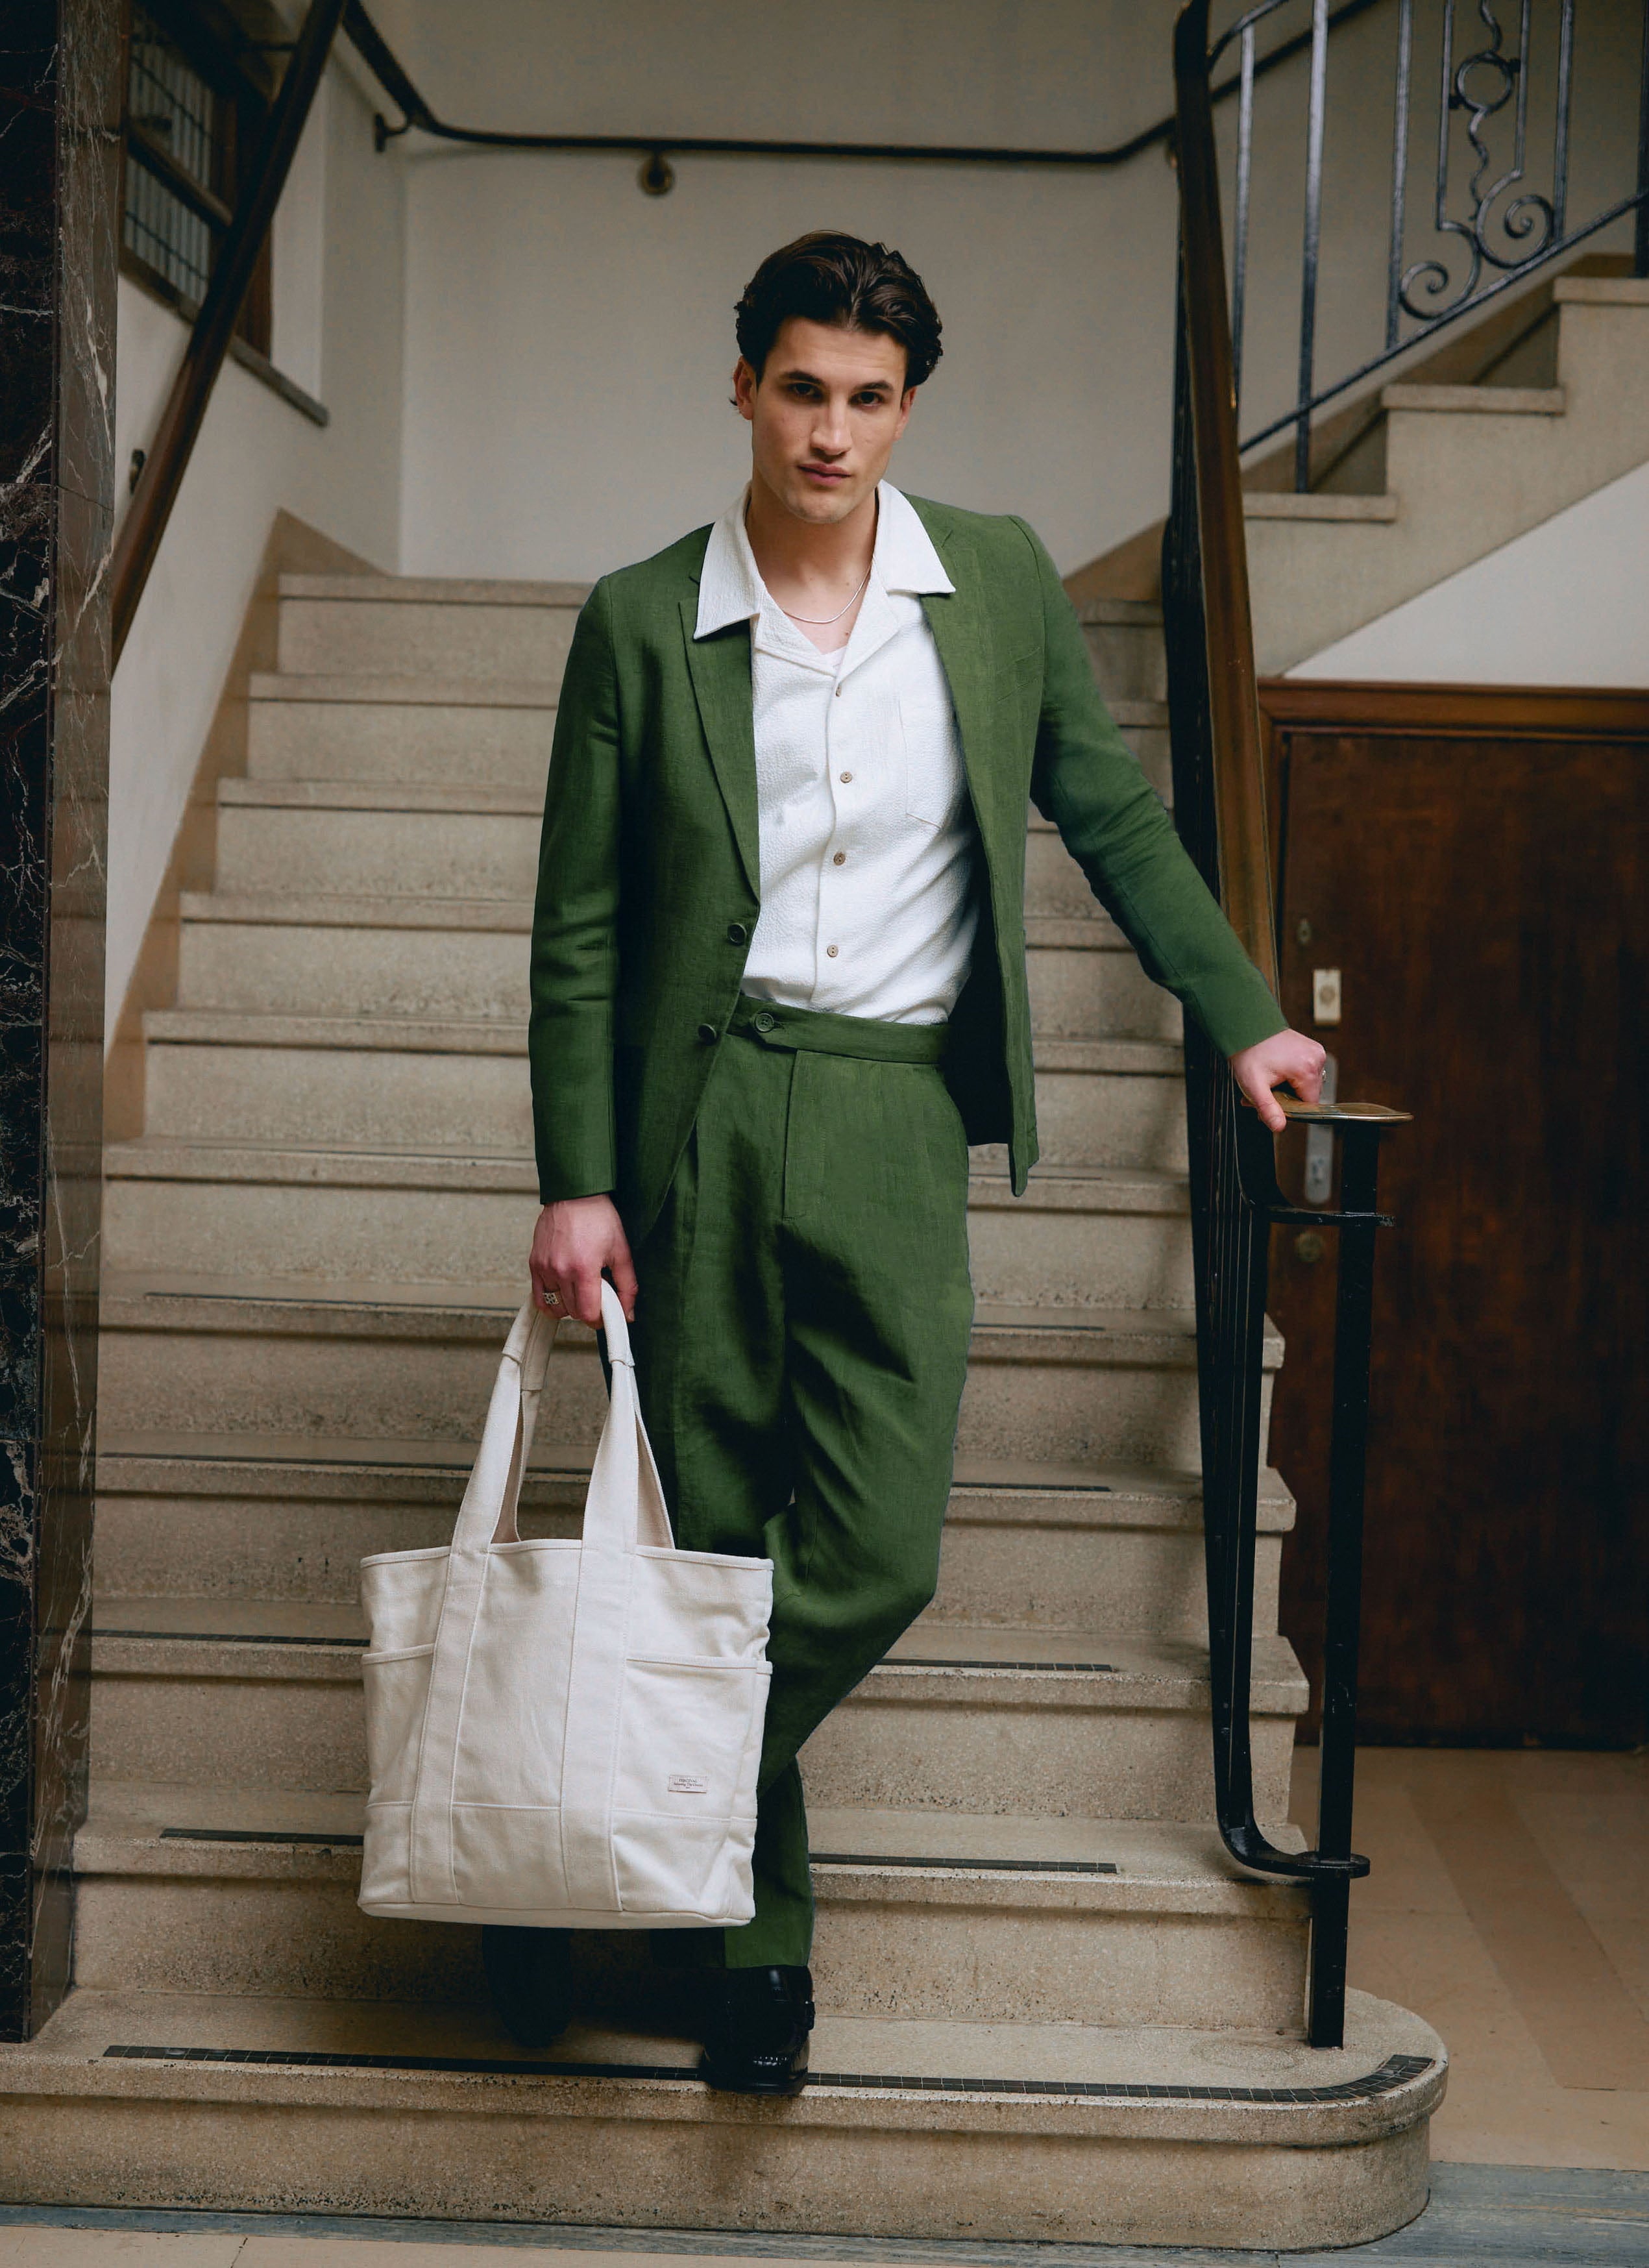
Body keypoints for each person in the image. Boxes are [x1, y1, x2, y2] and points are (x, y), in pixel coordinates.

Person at [495, 230, 1325, 2095]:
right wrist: (577, 1174)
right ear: (743, 387)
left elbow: (1109, 812)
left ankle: (572, 1845)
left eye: (870, 399)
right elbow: (580, 930)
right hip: (698, 1116)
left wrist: (1241, 1012)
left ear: (906, 410)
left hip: (887, 1110)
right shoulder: (644, 618)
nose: (833, 432)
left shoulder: (1000, 583)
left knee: (871, 1552)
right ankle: (758, 1953)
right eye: (804, 388)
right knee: (710, 1541)